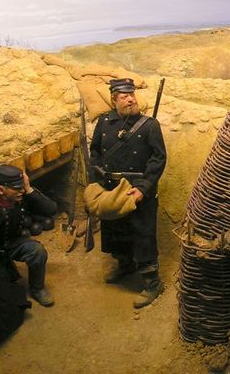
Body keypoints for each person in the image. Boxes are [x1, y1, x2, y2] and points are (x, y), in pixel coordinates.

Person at [0, 165, 57, 357]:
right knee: (0, 305)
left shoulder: (21, 199)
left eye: (22, 186)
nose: (22, 191)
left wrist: (29, 189)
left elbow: (52, 209)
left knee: (37, 250)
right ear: (0, 190)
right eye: (17, 188)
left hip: (13, 244)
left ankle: (37, 287)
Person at [90, 78, 167, 308]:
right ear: (114, 99)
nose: (130, 99)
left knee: (143, 235)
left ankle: (153, 283)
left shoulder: (150, 125)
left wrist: (143, 188)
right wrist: (96, 183)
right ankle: (125, 265)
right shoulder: (104, 123)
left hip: (137, 190)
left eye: (131, 94)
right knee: (116, 230)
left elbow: (158, 159)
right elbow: (94, 153)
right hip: (112, 189)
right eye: (124, 96)